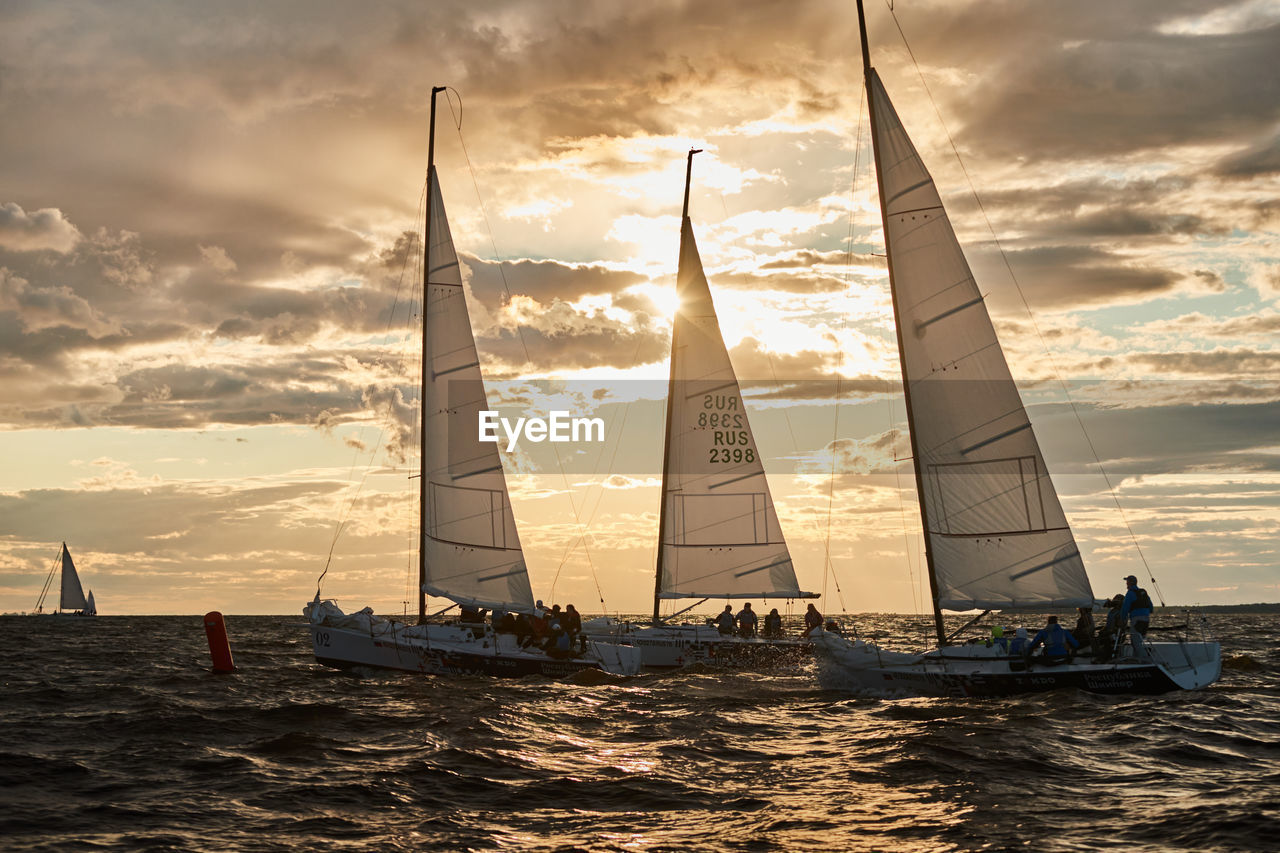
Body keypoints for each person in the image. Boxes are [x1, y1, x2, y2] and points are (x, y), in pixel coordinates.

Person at [1119, 574, 1154, 655]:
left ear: (1130, 583)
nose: (1126, 583)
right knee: (1139, 641)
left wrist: (1122, 620)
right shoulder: (1143, 592)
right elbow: (1151, 607)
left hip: (1136, 620)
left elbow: (1125, 608)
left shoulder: (1130, 593)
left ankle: (1145, 660)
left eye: (1127, 582)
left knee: (1135, 643)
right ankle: (1137, 659)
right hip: (1146, 619)